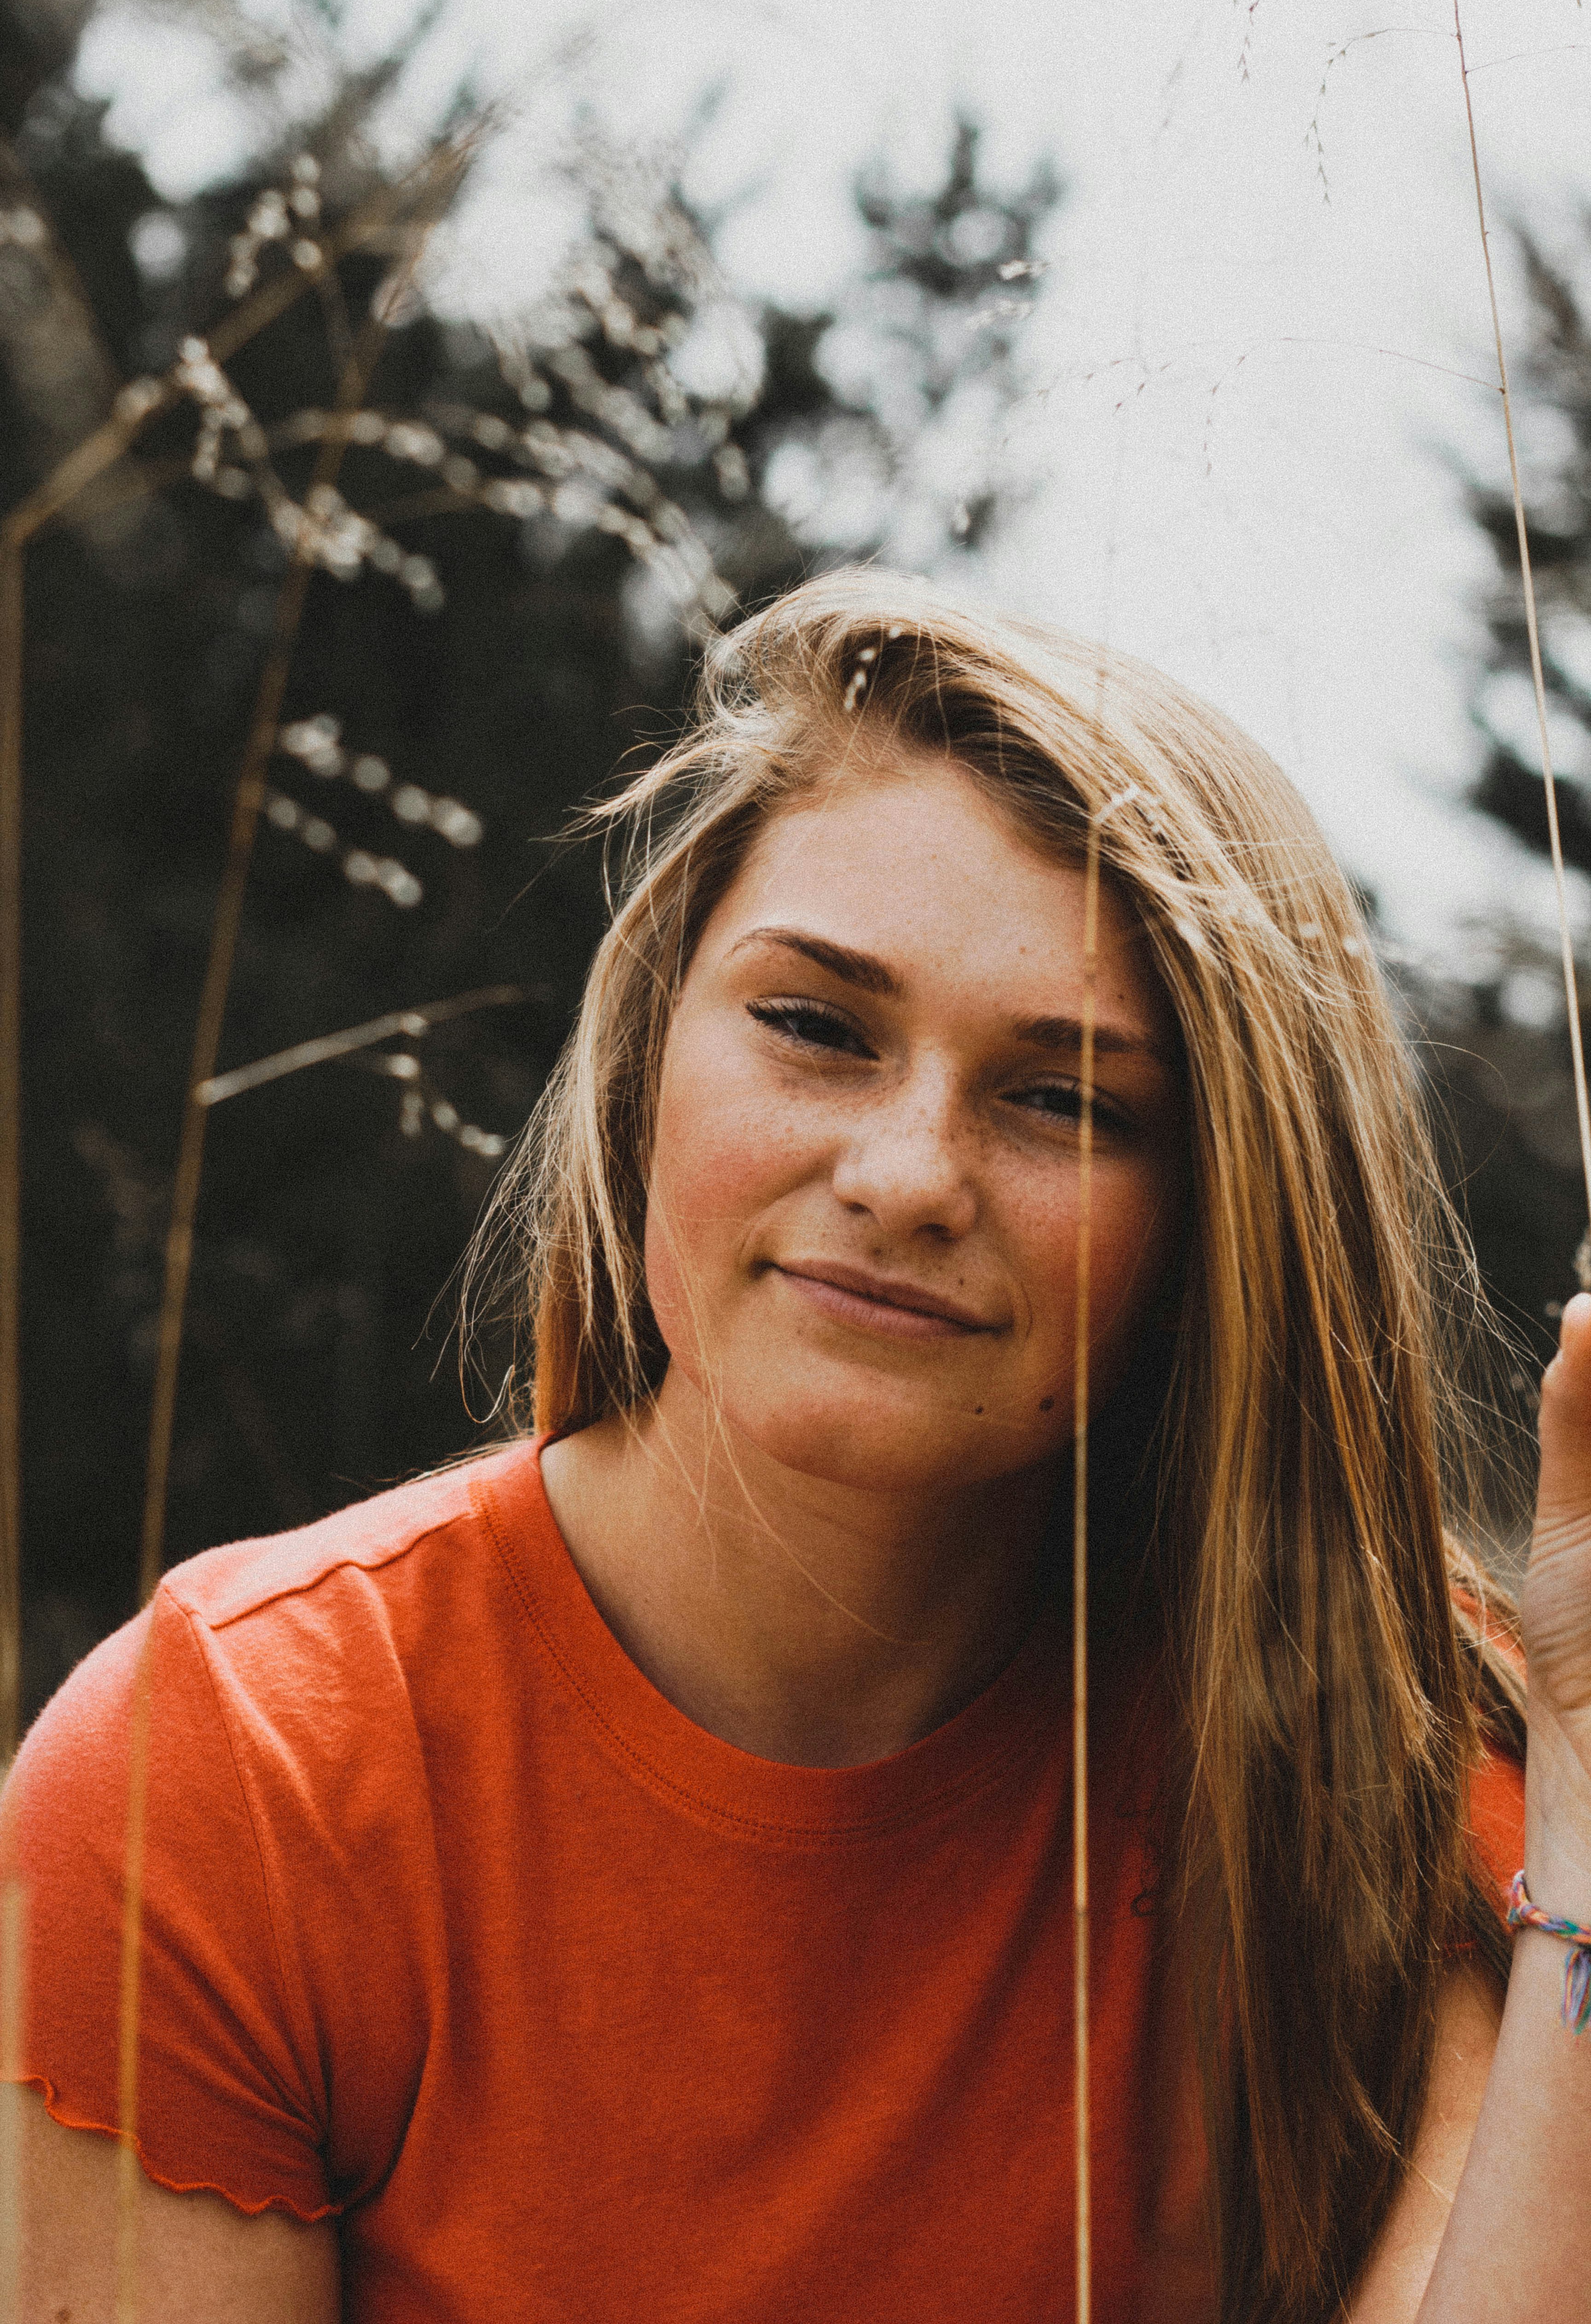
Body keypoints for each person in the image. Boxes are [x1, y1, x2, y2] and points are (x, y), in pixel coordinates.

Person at [7, 568, 1591, 2324]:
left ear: (1225, 1221)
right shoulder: (234, 1773)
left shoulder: (1377, 1744)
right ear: (645, 1062)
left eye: (1063, 1097)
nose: (909, 1176)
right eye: (818, 1027)